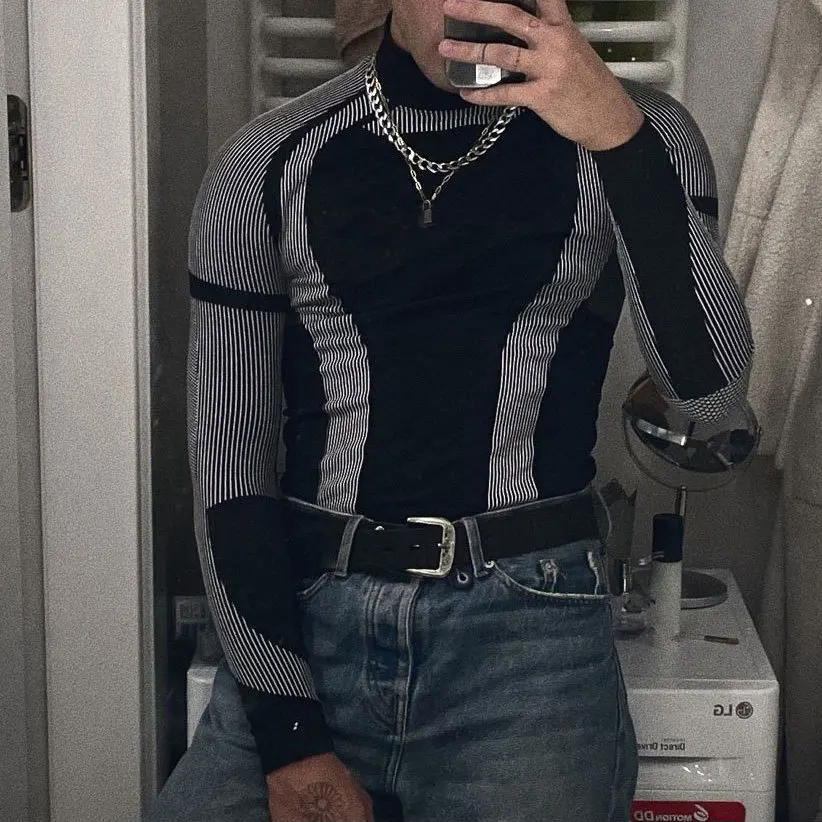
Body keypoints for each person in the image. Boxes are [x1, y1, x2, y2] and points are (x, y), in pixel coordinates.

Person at [145, 0, 753, 819]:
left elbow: (709, 395)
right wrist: (290, 733)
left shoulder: (642, 135)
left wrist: (617, 138)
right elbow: (230, 466)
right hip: (311, 619)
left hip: (530, 640)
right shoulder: (267, 161)